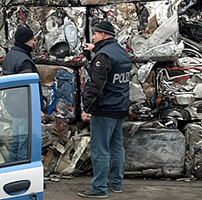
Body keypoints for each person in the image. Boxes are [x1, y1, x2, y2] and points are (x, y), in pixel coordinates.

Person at [78, 21, 131, 199]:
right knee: (116, 147)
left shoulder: (104, 57)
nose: (92, 37)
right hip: (121, 107)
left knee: (100, 149)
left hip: (104, 109)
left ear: (102, 35)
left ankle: (99, 188)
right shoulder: (121, 52)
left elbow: (97, 86)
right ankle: (116, 183)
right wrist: (95, 49)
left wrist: (88, 108)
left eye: (94, 34)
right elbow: (111, 64)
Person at [2, 26, 46, 161]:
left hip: (14, 106)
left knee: (16, 141)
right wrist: (36, 109)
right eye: (32, 39)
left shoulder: (10, 56)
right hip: (24, 109)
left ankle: (11, 168)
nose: (33, 42)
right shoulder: (24, 61)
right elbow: (27, 89)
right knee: (25, 145)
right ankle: (22, 172)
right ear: (27, 41)